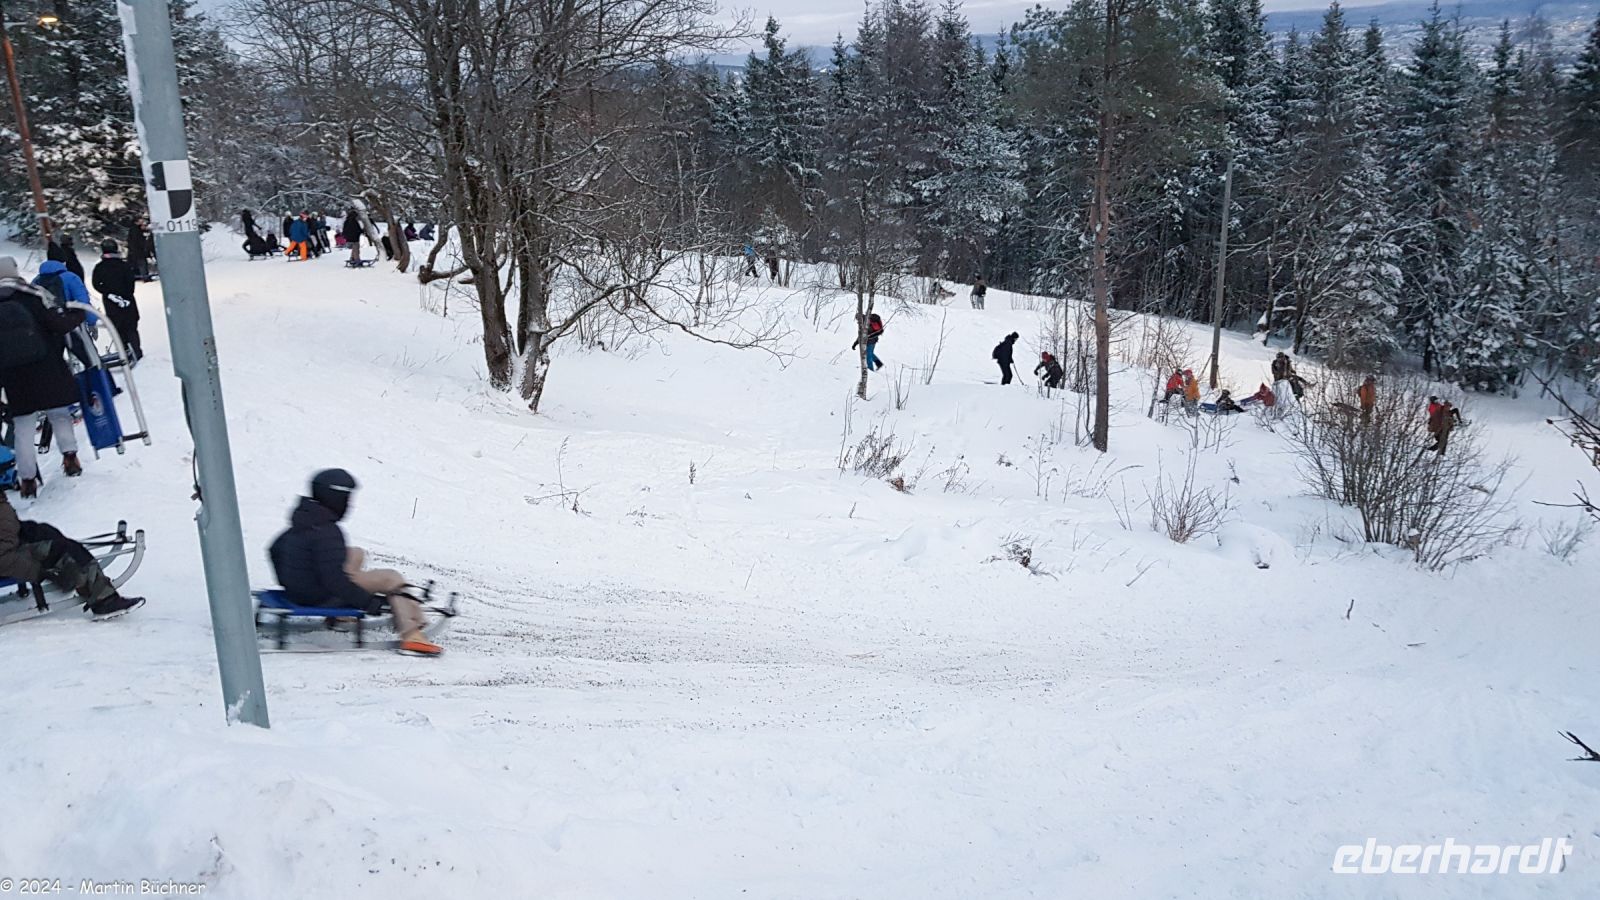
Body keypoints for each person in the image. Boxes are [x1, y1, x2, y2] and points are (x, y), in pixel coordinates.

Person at [268, 469, 441, 656]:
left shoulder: (305, 518)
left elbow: (274, 549)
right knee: (391, 578)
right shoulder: (328, 531)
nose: (349, 504)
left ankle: (342, 617)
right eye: (347, 498)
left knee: (356, 553)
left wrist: (290, 581)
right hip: (320, 596)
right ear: (335, 498)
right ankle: (412, 634)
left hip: (301, 589)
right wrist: (368, 602)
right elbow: (335, 582)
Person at [0, 257, 88, 496]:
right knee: (59, 414)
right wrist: (77, 316)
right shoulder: (33, 295)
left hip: (14, 377)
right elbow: (58, 325)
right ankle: (70, 458)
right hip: (47, 367)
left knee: (24, 426)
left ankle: (27, 479)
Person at [0, 483, 143, 618]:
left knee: (52, 537)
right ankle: (104, 601)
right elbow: (3, 558)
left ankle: (91, 585)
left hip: (15, 543)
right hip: (12, 555)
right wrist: (39, 573)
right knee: (64, 551)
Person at [92, 240, 141, 362]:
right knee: (131, 327)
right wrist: (125, 295)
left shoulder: (100, 267)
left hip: (111, 303)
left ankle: (124, 351)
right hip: (128, 301)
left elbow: (96, 284)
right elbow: (131, 283)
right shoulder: (124, 265)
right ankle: (136, 351)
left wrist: (108, 293)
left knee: (118, 328)